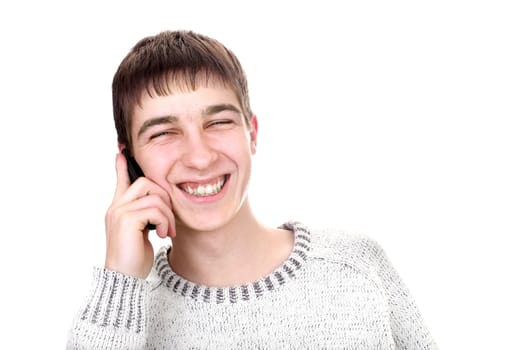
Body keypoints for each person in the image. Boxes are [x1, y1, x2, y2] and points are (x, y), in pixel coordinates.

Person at [67, 30, 438, 349]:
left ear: (252, 134)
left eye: (219, 121)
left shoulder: (355, 266)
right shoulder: (121, 314)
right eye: (164, 133)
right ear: (130, 161)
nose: (199, 157)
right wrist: (120, 282)